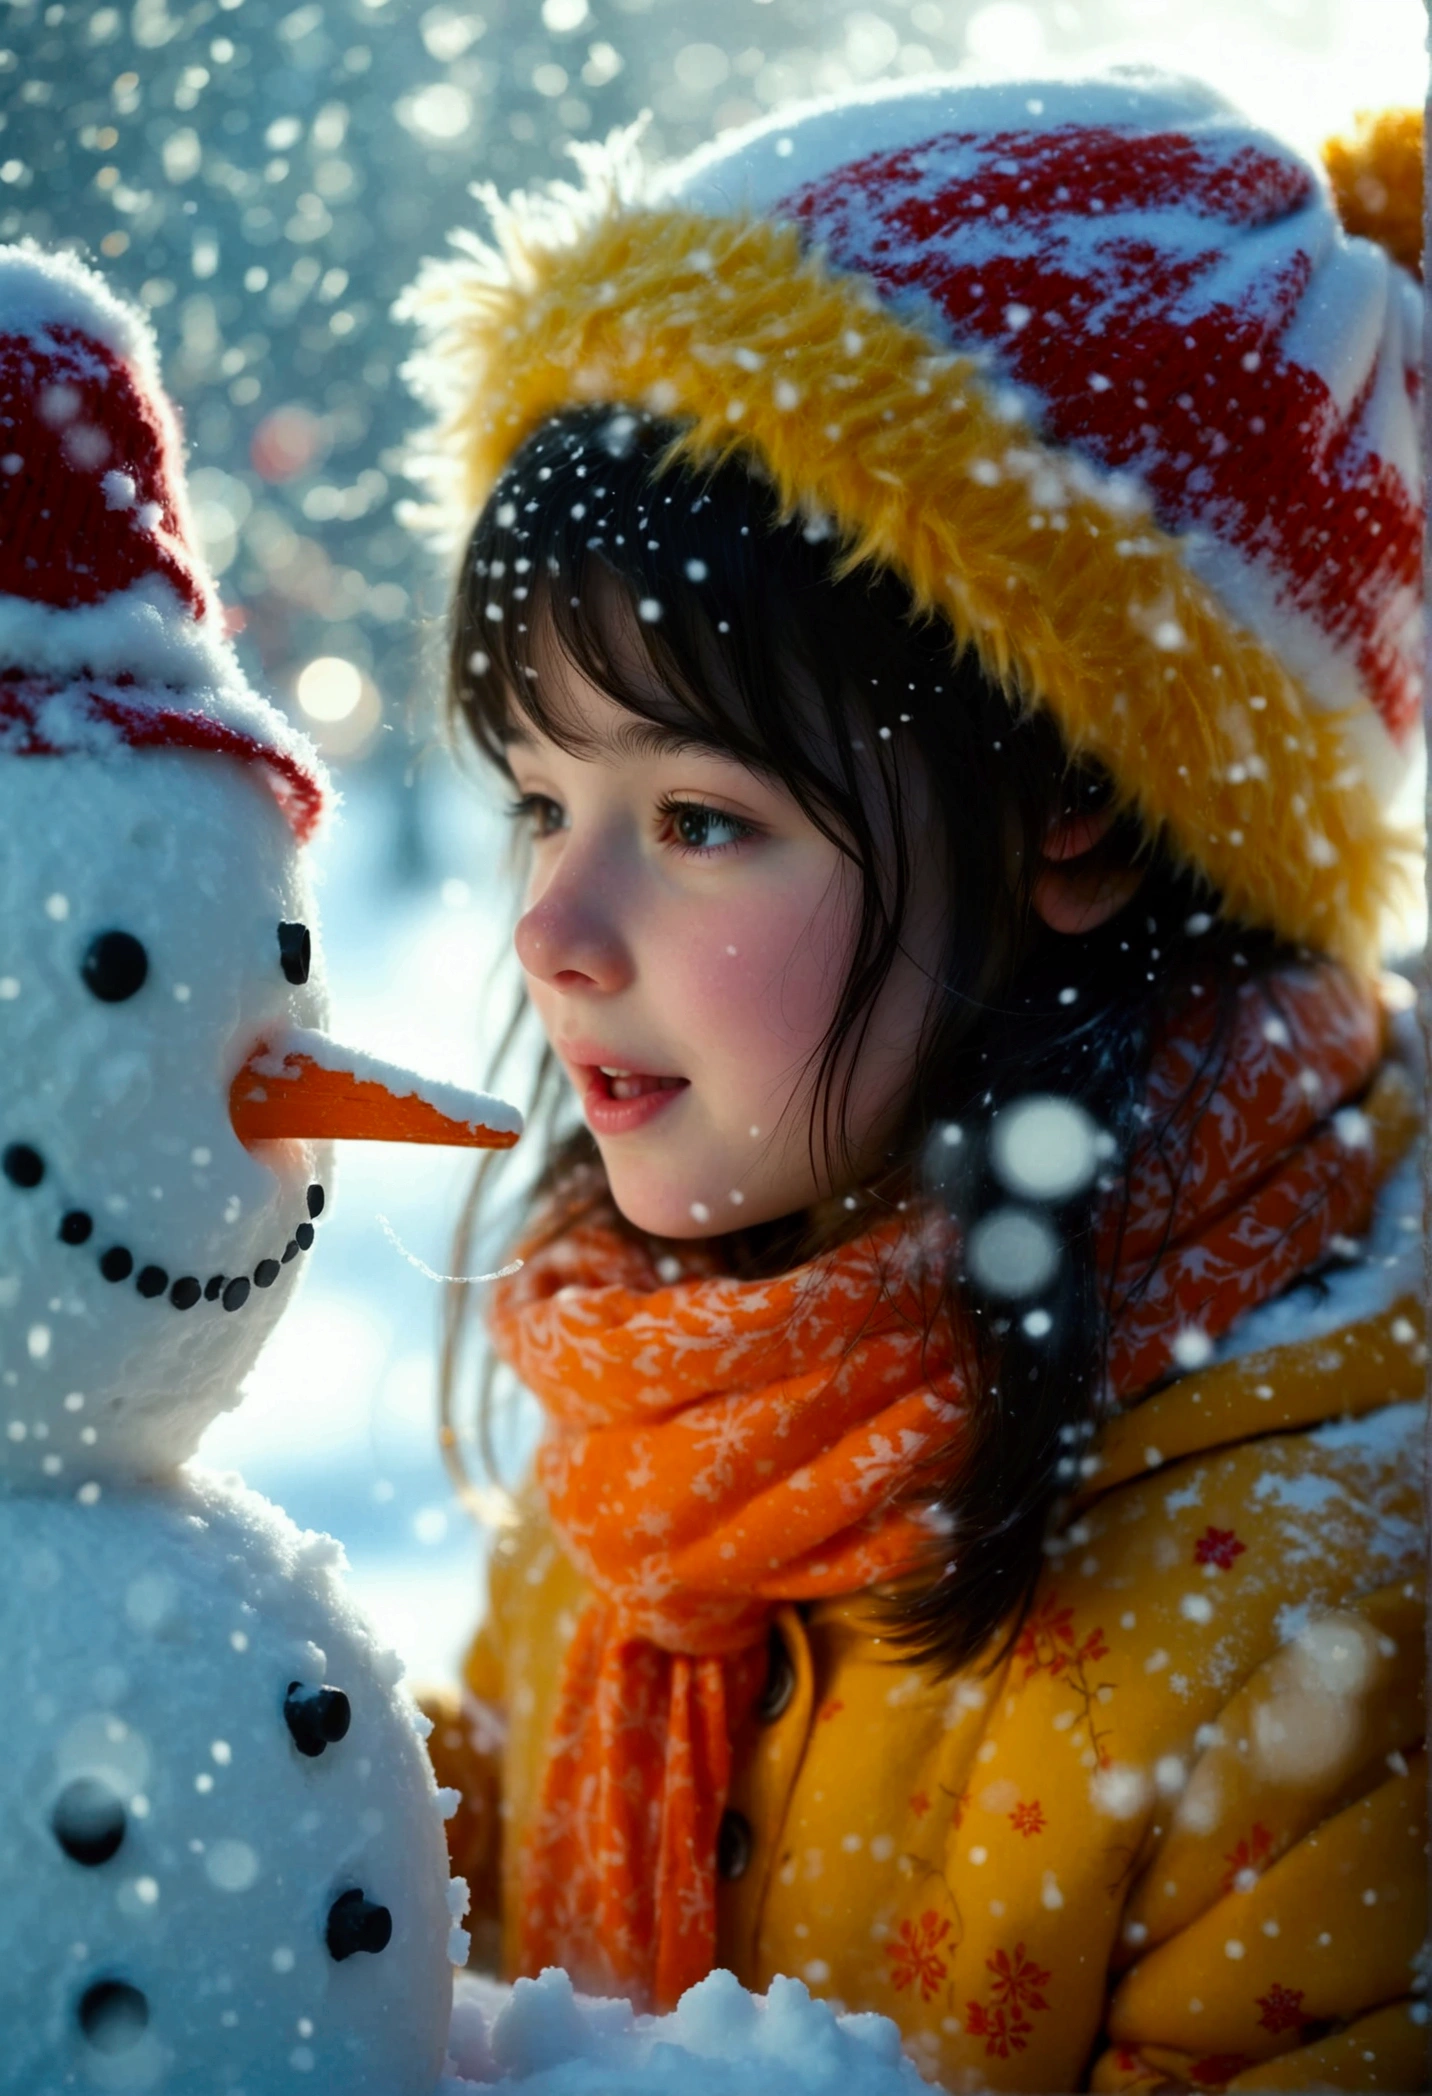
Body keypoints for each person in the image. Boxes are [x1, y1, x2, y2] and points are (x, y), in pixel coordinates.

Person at [401, 76, 1427, 2091]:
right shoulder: (668, 1424)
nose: (550, 927)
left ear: (1078, 818)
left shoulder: (1340, 1634)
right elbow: (383, 1933)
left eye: (694, 818)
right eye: (542, 800)